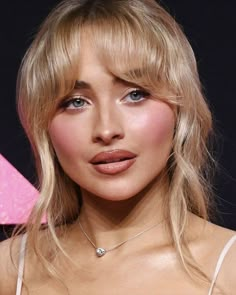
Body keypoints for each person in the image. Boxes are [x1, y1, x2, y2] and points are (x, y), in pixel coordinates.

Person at [0, 0, 235, 294]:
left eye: (135, 94)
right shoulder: (9, 270)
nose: (107, 130)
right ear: (43, 125)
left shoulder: (228, 268)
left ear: (181, 109)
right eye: (76, 102)